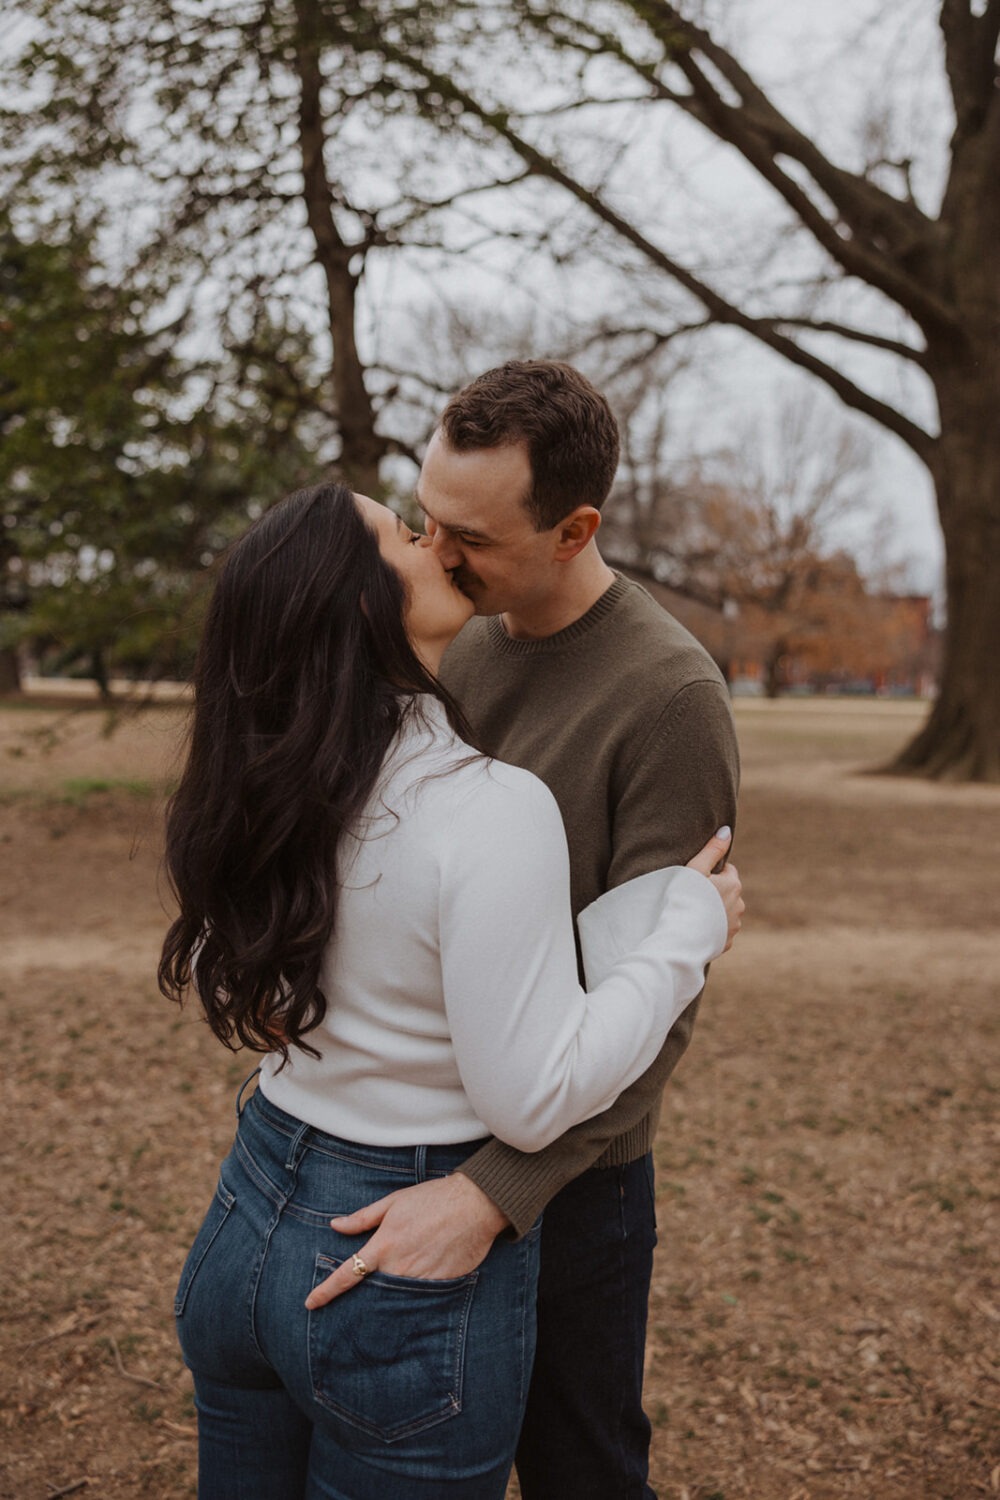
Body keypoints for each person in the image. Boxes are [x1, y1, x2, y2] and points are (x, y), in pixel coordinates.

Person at [160, 480, 744, 1500]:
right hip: (392, 1242)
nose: (438, 546)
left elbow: (247, 974)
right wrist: (686, 930)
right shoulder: (488, 806)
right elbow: (533, 1093)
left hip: (249, 1209)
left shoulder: (276, 773)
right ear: (359, 606)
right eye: (404, 534)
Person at [309, 362, 741, 1500]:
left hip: (574, 1183)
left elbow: (661, 1001)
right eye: (425, 521)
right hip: (413, 1141)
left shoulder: (666, 698)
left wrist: (496, 1192)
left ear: (574, 527)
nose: (434, 558)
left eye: (472, 539)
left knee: (580, 1467)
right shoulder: (459, 630)